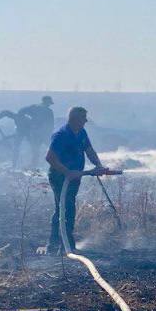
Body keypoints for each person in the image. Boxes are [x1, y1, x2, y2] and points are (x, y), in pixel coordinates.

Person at [45, 106, 108, 253]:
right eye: (83, 118)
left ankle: (57, 243)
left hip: (75, 176)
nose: (86, 121)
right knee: (65, 207)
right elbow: (50, 157)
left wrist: (98, 165)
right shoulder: (61, 135)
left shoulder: (81, 132)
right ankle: (64, 244)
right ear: (74, 119)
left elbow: (89, 150)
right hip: (59, 176)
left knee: (64, 207)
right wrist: (67, 172)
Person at [18, 96, 55, 167]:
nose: (49, 105)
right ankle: (53, 164)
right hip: (44, 133)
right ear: (46, 102)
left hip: (35, 132)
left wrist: (27, 122)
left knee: (35, 150)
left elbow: (21, 111)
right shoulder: (49, 111)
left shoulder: (34, 107)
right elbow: (51, 124)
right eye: (49, 103)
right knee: (52, 148)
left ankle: (34, 165)